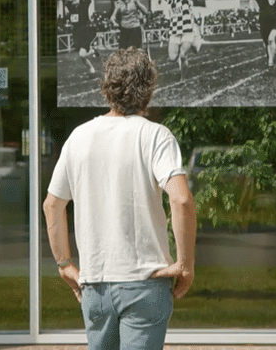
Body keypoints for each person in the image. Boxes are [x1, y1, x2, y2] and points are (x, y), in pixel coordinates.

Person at [43, 47, 197, 350]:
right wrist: (185, 264)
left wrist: (65, 264)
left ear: (107, 88)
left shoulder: (79, 137)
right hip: (145, 282)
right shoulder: (156, 136)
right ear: (148, 89)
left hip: (95, 285)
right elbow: (181, 200)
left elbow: (52, 205)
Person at [138, 0, 202, 80]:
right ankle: (193, 45)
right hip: (174, 31)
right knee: (172, 58)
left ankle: (183, 77)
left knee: (183, 56)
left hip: (187, 30)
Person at [62, 0, 99, 74]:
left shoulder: (84, 6)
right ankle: (90, 67)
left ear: (80, 0)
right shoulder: (71, 7)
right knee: (81, 55)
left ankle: (92, 54)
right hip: (76, 34)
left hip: (85, 32)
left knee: (82, 55)